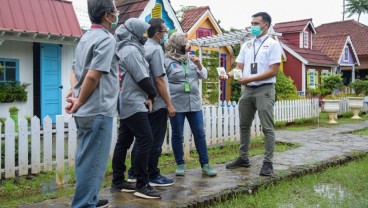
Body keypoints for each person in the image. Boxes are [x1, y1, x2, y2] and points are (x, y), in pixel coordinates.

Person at [65, 0, 119, 207]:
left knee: (85, 159)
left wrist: (76, 94)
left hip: (85, 110)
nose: (117, 14)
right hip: (98, 109)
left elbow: (74, 70)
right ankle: (84, 204)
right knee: (94, 162)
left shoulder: (85, 37)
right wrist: (78, 98)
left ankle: (90, 199)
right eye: (114, 11)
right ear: (107, 15)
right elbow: (93, 76)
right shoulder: (106, 40)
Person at [220, 12, 282, 176]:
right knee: (244, 125)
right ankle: (243, 158)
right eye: (251, 23)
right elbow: (239, 68)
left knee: (267, 128)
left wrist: (250, 78)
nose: (252, 26)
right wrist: (228, 75)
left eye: (256, 23)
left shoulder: (273, 44)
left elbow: (273, 71)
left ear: (265, 25)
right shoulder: (247, 45)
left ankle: (268, 162)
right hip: (247, 90)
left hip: (265, 89)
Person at [111, 18, 161, 199]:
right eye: (142, 34)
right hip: (133, 102)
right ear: (134, 33)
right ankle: (142, 184)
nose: (144, 37)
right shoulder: (131, 50)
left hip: (127, 101)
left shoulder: (125, 48)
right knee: (146, 139)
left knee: (123, 142)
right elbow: (142, 78)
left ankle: (117, 181)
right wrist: (153, 94)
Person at [126, 18, 176, 186]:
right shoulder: (155, 50)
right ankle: (152, 174)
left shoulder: (141, 47)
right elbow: (159, 79)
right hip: (158, 102)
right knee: (155, 140)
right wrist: (169, 104)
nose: (165, 35)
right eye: (164, 32)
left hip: (145, 100)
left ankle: (134, 172)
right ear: (157, 34)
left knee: (142, 140)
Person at [164, 32, 217, 177]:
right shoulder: (167, 61)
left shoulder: (191, 59)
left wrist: (199, 63)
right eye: (186, 42)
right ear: (177, 44)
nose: (189, 45)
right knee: (177, 134)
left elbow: (204, 75)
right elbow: (163, 83)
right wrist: (168, 104)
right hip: (176, 104)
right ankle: (180, 164)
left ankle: (205, 164)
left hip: (194, 104)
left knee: (199, 133)